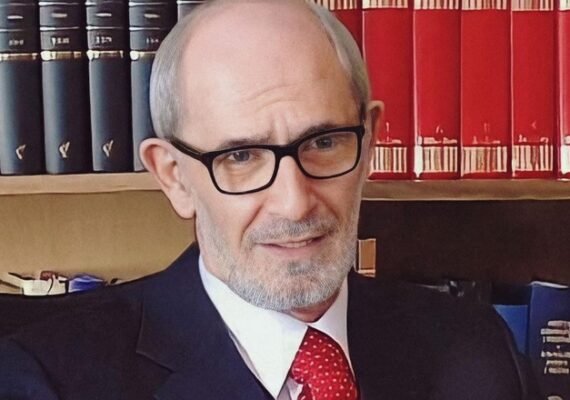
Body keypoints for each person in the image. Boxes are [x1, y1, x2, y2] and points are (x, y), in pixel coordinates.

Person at [0, 0, 539, 399]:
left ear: (371, 141)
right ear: (175, 177)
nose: (294, 203)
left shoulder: (479, 352)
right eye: (241, 157)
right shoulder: (48, 378)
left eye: (324, 143)